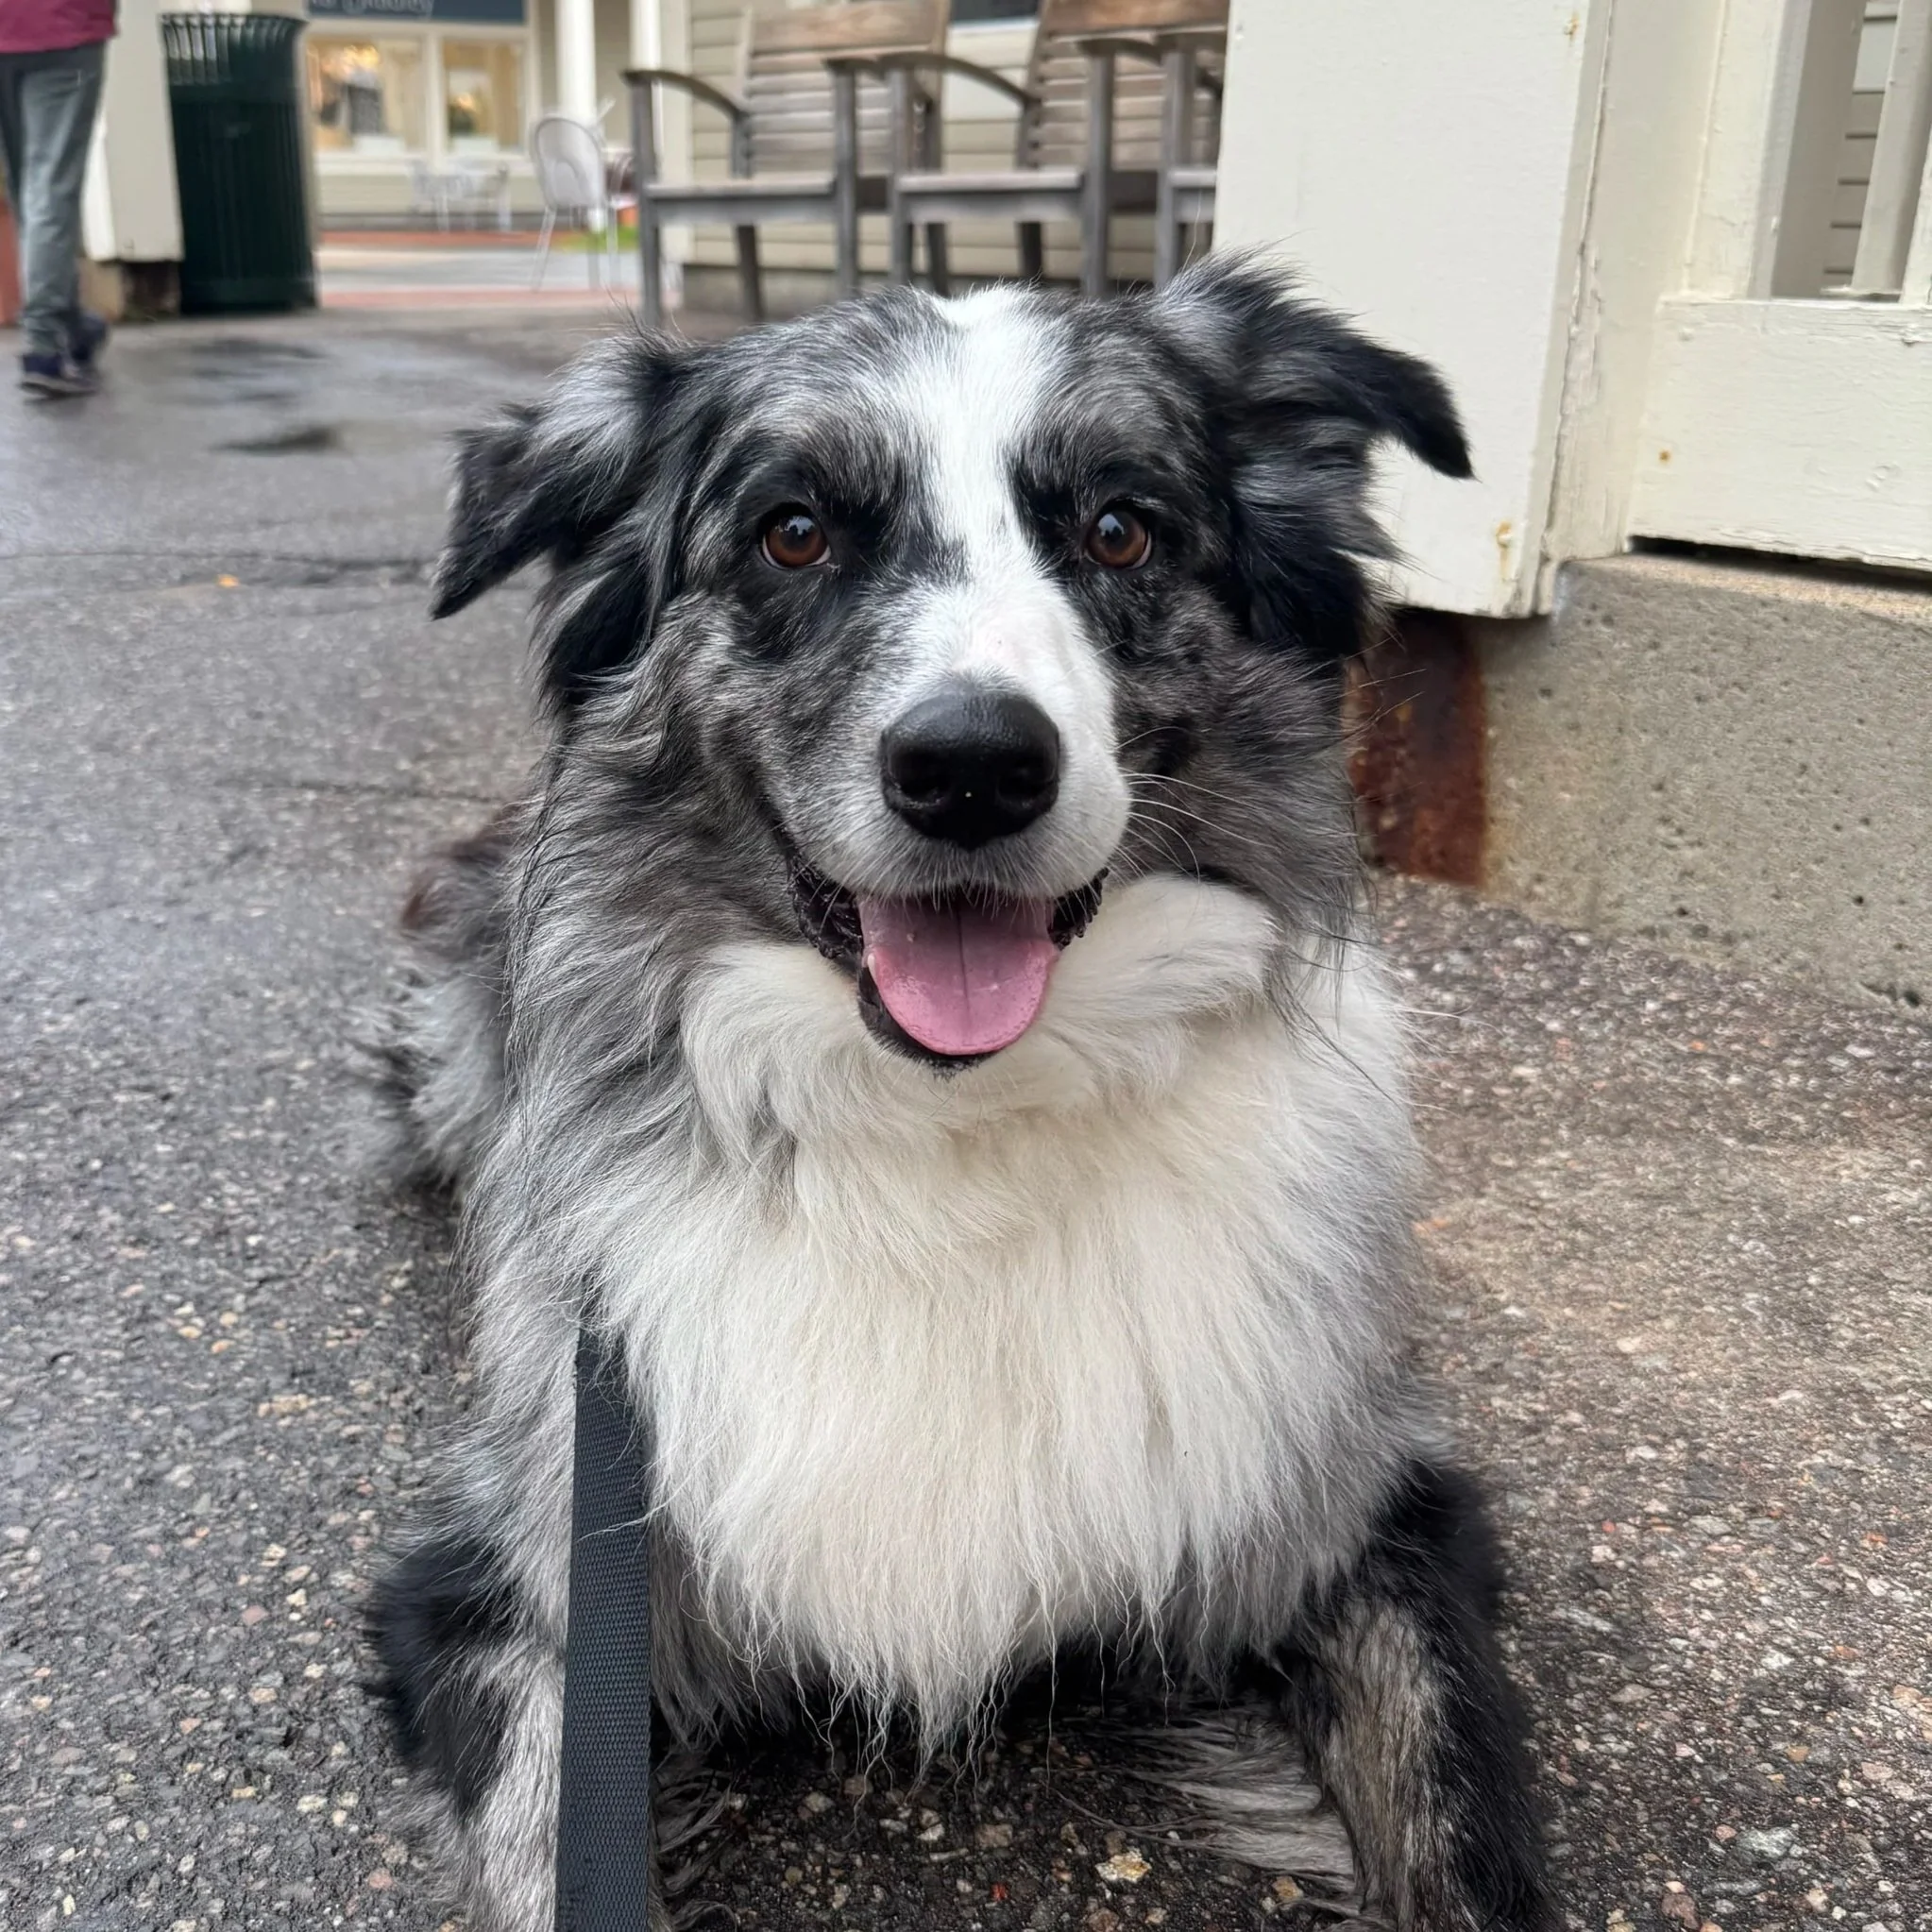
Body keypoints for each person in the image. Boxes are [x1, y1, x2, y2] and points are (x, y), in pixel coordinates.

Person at [0, 0, 115, 397]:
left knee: (26, 189)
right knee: (50, 186)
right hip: (65, 30)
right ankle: (43, 345)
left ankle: (71, 326)